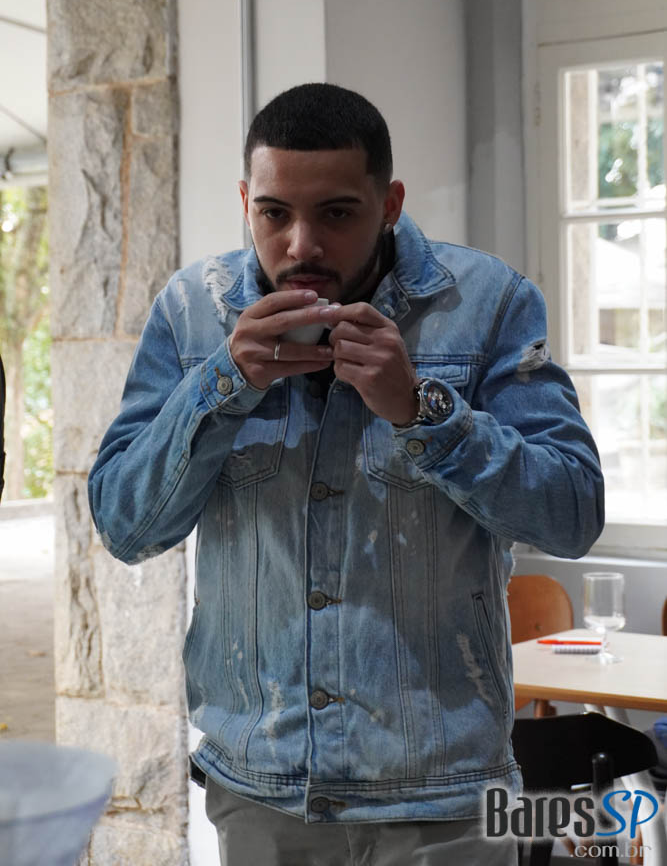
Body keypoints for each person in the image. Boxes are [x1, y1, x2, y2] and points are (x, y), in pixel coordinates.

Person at [88, 83, 604, 865]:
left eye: (335, 213)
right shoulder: (192, 313)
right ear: (245, 202)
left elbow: (570, 515)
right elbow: (126, 528)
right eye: (273, 214)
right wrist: (219, 384)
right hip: (262, 792)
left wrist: (422, 410)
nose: (301, 246)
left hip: (444, 795)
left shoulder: (486, 303)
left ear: (388, 203)